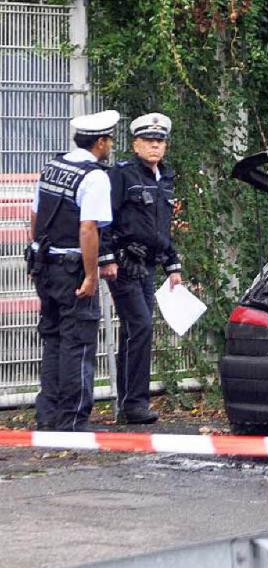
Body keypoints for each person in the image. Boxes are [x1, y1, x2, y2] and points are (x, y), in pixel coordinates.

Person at [29, 109, 118, 432]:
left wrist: (36, 257)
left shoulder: (52, 166)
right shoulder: (93, 177)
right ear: (100, 142)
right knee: (77, 342)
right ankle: (73, 419)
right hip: (71, 269)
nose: (109, 146)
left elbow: (36, 215)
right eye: (108, 140)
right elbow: (88, 229)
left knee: (52, 339)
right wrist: (91, 274)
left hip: (45, 265)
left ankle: (48, 415)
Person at [98, 113, 182, 425]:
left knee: (135, 330)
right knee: (142, 326)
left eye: (159, 141)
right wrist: (107, 258)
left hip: (148, 264)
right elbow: (104, 217)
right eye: (148, 141)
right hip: (124, 263)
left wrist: (173, 263)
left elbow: (161, 227)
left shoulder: (165, 177)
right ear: (135, 144)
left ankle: (128, 405)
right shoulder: (122, 174)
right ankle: (134, 403)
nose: (155, 146)